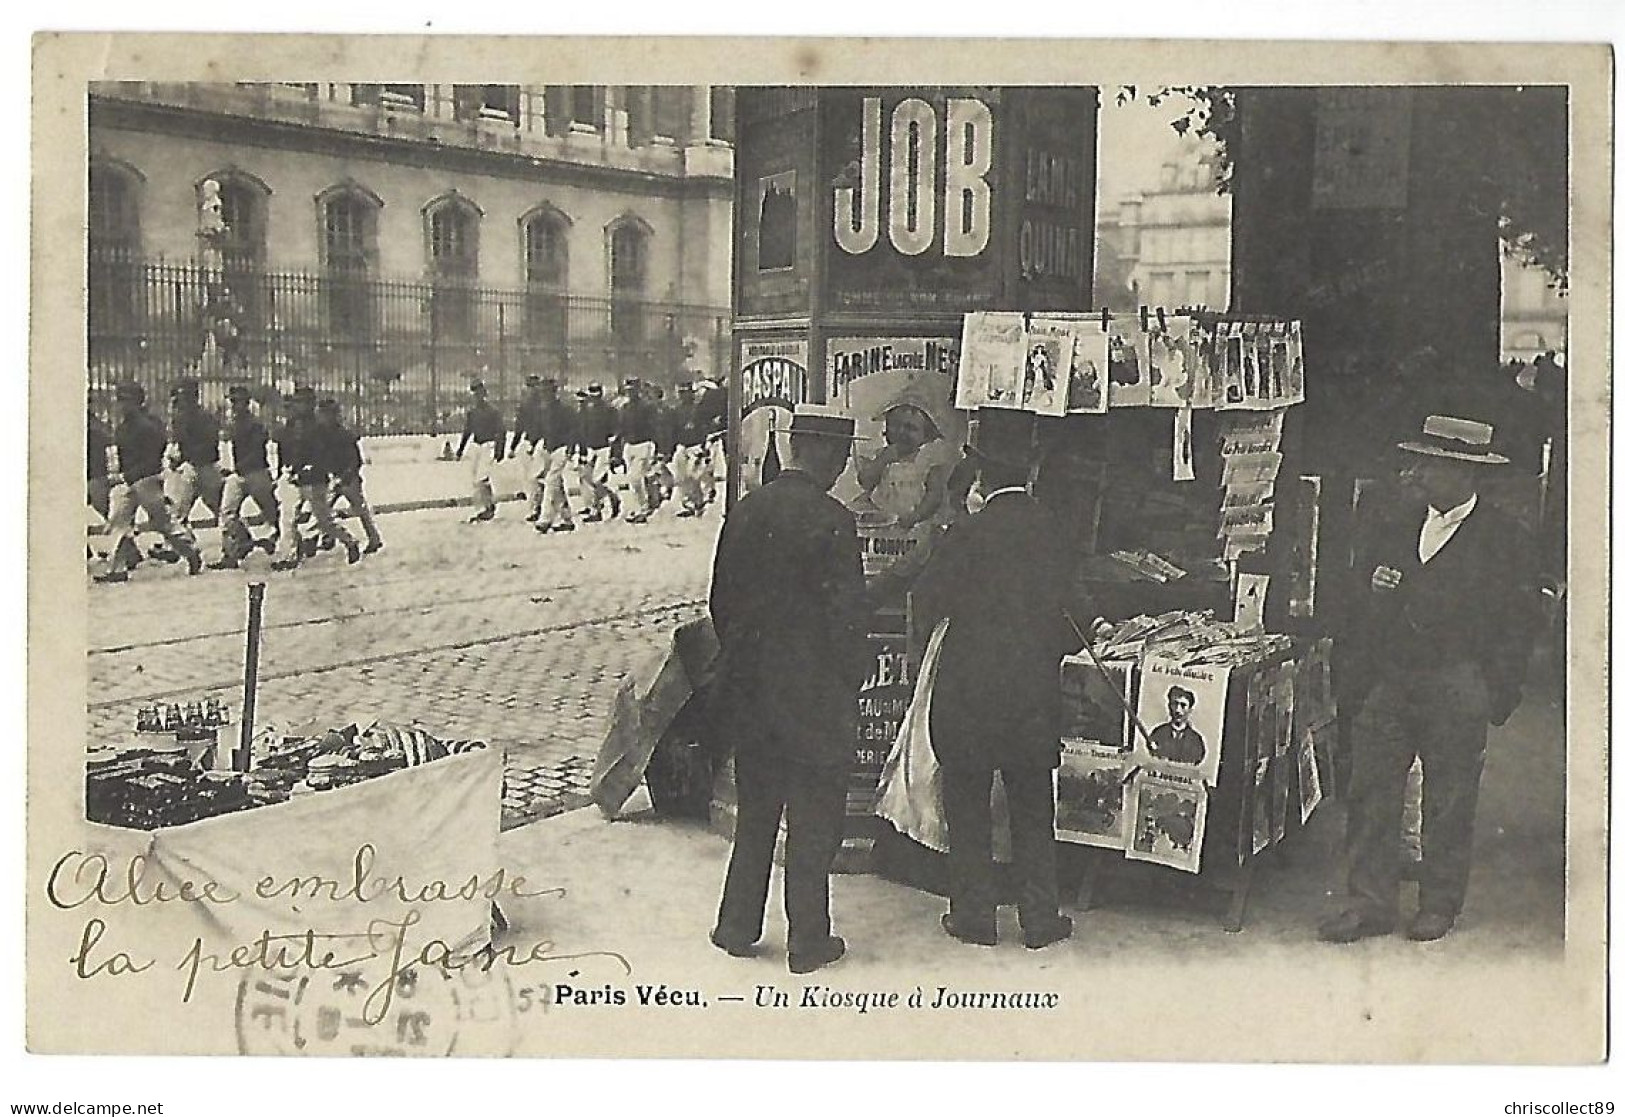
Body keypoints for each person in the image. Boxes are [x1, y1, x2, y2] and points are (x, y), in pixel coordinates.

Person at [1319, 413, 1538, 944]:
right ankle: (1370, 903)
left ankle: (1438, 903)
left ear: (1464, 473)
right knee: (1371, 792)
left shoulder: (1506, 538)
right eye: (1417, 462)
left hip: (1458, 682)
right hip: (1391, 679)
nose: (1415, 473)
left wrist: (1493, 692)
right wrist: (1374, 587)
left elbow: (1520, 623)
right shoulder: (1396, 520)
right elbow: (1357, 589)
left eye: (1428, 465)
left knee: (1450, 798)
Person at [909, 409, 1081, 950]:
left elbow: (926, 600)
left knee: (967, 802)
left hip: (969, 691)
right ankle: (1040, 919)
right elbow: (1073, 611)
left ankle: (974, 917)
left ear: (981, 475)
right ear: (1030, 468)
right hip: (1031, 690)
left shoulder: (967, 534)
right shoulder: (1053, 529)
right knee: (1033, 806)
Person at [707, 408, 869, 975]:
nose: (843, 466)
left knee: (756, 814)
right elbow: (847, 617)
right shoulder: (833, 521)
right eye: (842, 457)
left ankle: (736, 926)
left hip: (754, 692)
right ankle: (808, 940)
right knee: (813, 819)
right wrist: (850, 675)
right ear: (824, 453)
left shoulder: (746, 513)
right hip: (815, 694)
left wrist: (748, 661)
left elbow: (719, 605)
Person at [98, 382, 202, 581]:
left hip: (147, 480)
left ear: (137, 402)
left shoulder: (148, 425)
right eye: (120, 401)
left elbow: (153, 456)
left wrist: (132, 475)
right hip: (129, 481)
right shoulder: (123, 427)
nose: (121, 405)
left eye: (125, 401)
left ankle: (191, 552)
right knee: (120, 521)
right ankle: (117, 568)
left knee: (165, 524)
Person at [270, 387, 360, 570]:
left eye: (301, 402)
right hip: (295, 478)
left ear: (310, 404)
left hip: (316, 479)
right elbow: (286, 446)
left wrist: (314, 467)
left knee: (324, 521)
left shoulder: (321, 427)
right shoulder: (293, 425)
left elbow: (325, 453)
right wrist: (287, 469)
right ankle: (288, 555)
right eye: (296, 402)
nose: (298, 406)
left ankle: (350, 541)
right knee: (287, 518)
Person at [212, 384, 280, 568]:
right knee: (227, 513)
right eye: (232, 402)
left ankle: (290, 545)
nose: (234, 406)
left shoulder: (256, 425)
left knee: (273, 513)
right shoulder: (235, 424)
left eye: (238, 402)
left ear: (246, 403)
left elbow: (258, 451)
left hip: (257, 473)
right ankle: (232, 553)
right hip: (240, 475)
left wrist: (239, 466)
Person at [316, 398, 383, 555]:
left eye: (325, 415)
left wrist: (345, 476)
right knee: (324, 509)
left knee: (360, 510)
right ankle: (328, 537)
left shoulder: (345, 435)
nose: (322, 418)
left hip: (348, 478)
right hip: (331, 476)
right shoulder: (320, 435)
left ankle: (374, 538)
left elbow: (355, 461)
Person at [164, 377, 224, 550]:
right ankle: (181, 545)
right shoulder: (179, 418)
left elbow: (210, 447)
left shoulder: (205, 418)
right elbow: (178, 442)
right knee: (179, 508)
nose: (179, 402)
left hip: (206, 467)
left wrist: (184, 456)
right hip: (189, 468)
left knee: (220, 507)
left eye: (183, 397)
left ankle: (240, 540)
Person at [527, 378, 579, 535]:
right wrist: (532, 443)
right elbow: (537, 429)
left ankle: (545, 518)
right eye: (542, 392)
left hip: (561, 448)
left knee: (551, 481)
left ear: (554, 392)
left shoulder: (565, 410)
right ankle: (566, 518)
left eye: (547, 392)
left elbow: (573, 430)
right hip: (547, 448)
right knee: (549, 483)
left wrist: (571, 448)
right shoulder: (541, 410)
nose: (544, 395)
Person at [456, 380, 506, 523]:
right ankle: (483, 507)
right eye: (475, 394)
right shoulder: (472, 413)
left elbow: (500, 431)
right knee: (475, 480)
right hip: (477, 446)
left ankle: (488, 506)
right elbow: (468, 431)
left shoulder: (493, 412)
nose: (478, 397)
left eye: (480, 393)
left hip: (488, 445)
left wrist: (499, 450)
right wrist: (460, 449)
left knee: (482, 477)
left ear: (485, 394)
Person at [616, 378, 661, 524]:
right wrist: (616, 449)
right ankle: (649, 499)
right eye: (628, 390)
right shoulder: (625, 408)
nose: (630, 392)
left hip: (644, 444)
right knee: (636, 478)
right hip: (629, 446)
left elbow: (656, 427)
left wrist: (658, 447)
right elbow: (621, 429)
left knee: (636, 478)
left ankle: (643, 508)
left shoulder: (647, 407)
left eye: (633, 389)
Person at [510, 374, 551, 523]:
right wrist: (514, 445)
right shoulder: (530, 406)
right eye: (530, 387)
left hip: (540, 443)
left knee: (534, 478)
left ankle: (536, 507)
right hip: (532, 442)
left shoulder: (542, 406)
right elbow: (519, 427)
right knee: (535, 478)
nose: (533, 390)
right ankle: (538, 506)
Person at [575, 384, 619, 522]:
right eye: (592, 392)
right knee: (586, 479)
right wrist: (581, 450)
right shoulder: (585, 410)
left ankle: (611, 499)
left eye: (597, 392)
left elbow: (616, 429)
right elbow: (581, 431)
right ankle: (595, 509)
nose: (594, 395)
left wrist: (614, 451)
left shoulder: (608, 409)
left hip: (604, 448)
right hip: (590, 448)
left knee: (597, 480)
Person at [1146, 685, 1207, 766]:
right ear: (1169, 706)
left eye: (1183, 705)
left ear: (1190, 710)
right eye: (1175, 704)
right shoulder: (1157, 734)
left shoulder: (1196, 741)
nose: (1178, 710)